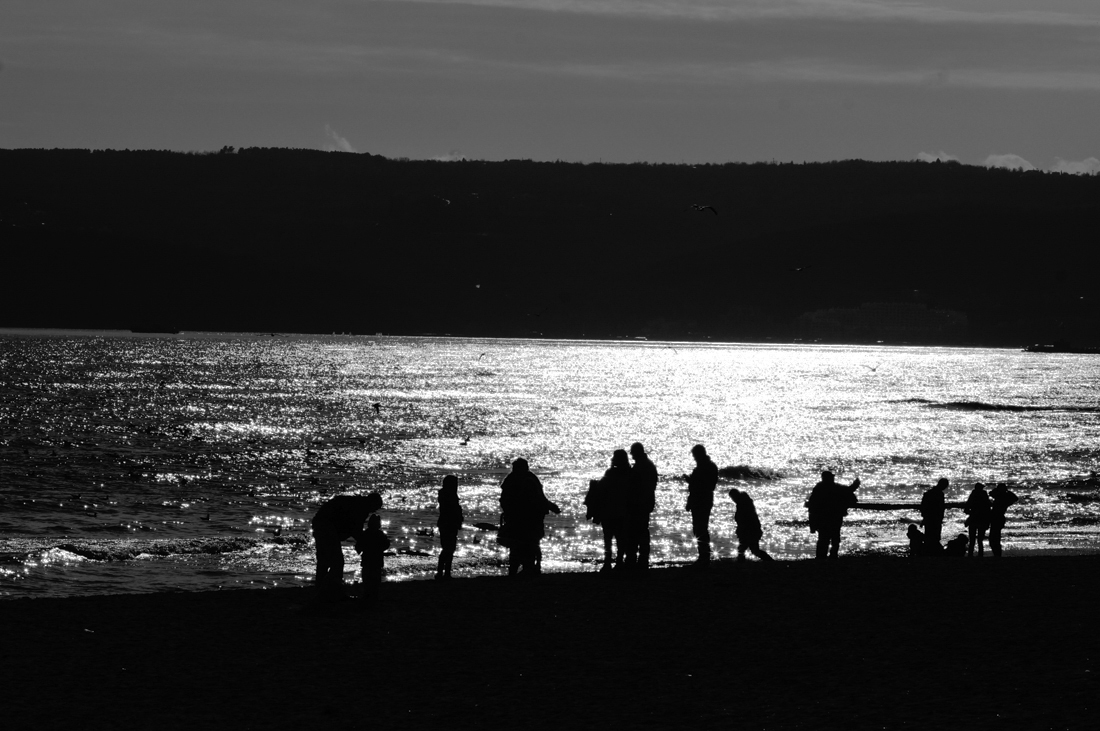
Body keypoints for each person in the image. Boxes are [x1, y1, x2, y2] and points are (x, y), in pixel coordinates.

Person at [311, 492, 383, 600]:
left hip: (321, 523)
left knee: (324, 561)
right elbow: (356, 530)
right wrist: (368, 543)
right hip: (327, 526)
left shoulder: (356, 503)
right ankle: (332, 591)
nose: (372, 512)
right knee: (337, 562)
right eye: (374, 508)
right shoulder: (361, 508)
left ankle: (321, 590)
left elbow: (353, 529)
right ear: (371, 503)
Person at [499, 458, 560, 578]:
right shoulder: (527, 479)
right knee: (528, 545)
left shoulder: (512, 480)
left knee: (520, 546)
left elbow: (504, 500)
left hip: (521, 519)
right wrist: (551, 507)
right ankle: (528, 569)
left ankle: (520, 570)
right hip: (527, 519)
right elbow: (541, 498)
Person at [584, 450, 630, 571]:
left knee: (608, 538)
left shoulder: (611, 473)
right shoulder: (629, 473)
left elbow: (601, 488)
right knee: (620, 538)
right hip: (622, 510)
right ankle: (619, 561)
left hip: (609, 510)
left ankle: (608, 562)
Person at [804, 471, 860, 560]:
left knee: (824, 538)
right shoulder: (834, 488)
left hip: (823, 517)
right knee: (834, 537)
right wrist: (856, 484)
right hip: (833, 516)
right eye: (831, 477)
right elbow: (849, 490)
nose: (833, 478)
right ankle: (832, 556)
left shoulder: (819, 488)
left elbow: (812, 505)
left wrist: (813, 522)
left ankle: (821, 557)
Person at [683, 444, 718, 567]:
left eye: (695, 455)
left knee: (700, 529)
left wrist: (691, 481)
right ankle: (704, 556)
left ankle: (704, 557)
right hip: (701, 500)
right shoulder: (708, 466)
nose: (694, 458)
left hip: (702, 501)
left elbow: (706, 486)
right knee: (699, 529)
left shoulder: (706, 467)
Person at [626, 442, 658, 568]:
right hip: (644, 502)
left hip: (640, 503)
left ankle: (640, 560)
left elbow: (640, 486)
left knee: (638, 532)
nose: (632, 455)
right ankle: (640, 560)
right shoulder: (646, 465)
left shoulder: (643, 466)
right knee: (641, 531)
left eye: (633, 452)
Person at [728, 488, 773, 561]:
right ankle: (769, 561)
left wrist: (742, 530)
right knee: (749, 549)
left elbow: (745, 520)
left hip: (750, 531)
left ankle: (770, 561)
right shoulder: (744, 502)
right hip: (751, 530)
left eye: (732, 497)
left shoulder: (743, 504)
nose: (732, 500)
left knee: (749, 549)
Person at [355, 513, 390, 604]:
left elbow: (358, 547)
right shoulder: (380, 534)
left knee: (367, 580)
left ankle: (367, 596)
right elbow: (386, 545)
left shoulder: (365, 534)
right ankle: (373, 597)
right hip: (377, 561)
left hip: (367, 560)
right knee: (375, 581)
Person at [435, 475, 463, 580]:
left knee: (449, 548)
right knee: (448, 548)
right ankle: (442, 572)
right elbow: (452, 510)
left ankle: (445, 572)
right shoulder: (448, 495)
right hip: (448, 524)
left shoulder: (447, 494)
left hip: (448, 524)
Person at [988, 483, 1019, 558]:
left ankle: (997, 554)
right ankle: (997, 554)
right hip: (999, 518)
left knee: (993, 538)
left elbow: (991, 493)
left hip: (997, 517)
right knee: (996, 537)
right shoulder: (1005, 498)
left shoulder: (1001, 497)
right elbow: (1015, 498)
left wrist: (1003, 491)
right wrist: (1007, 492)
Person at [920, 478, 950, 549]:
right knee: (935, 536)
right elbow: (939, 507)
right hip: (935, 519)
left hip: (930, 518)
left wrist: (925, 517)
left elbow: (923, 506)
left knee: (929, 535)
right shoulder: (939, 494)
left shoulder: (929, 493)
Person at [964, 482, 992, 557]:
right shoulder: (984, 495)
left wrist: (971, 513)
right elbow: (988, 509)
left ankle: (970, 555)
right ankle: (980, 555)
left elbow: (966, 508)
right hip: (982, 519)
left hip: (974, 519)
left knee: (972, 539)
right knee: (980, 540)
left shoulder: (973, 495)